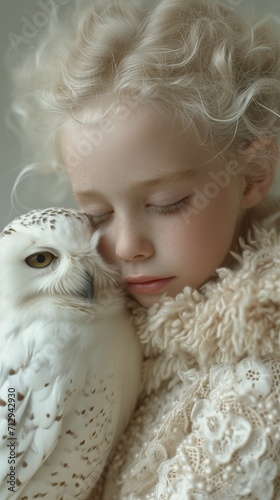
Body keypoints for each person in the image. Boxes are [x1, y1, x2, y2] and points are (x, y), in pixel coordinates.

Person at [9, 0, 280, 497]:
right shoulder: (102, 333)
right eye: (97, 216)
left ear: (253, 174)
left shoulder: (256, 390)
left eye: (167, 203)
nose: (127, 246)